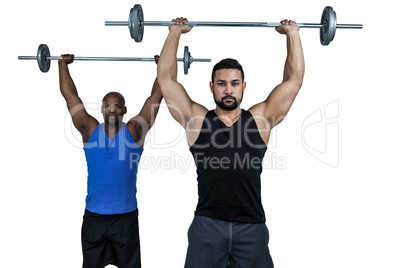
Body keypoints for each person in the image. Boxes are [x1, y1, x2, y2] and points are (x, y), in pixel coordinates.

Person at [157, 17, 304, 268]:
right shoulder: (197, 120)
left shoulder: (260, 120)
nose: (228, 90)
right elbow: (166, 81)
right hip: (207, 226)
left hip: (252, 227)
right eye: (222, 84)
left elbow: (294, 81)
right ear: (212, 87)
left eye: (234, 84)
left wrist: (292, 34)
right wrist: (174, 33)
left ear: (243, 86)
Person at [58, 54, 163, 268]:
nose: (112, 110)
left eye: (117, 106)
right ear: (102, 109)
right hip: (94, 218)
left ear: (124, 110)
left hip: (125, 218)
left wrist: (163, 67)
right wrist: (62, 65)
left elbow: (155, 98)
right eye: (108, 106)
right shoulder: (89, 130)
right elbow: (70, 96)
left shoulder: (134, 131)